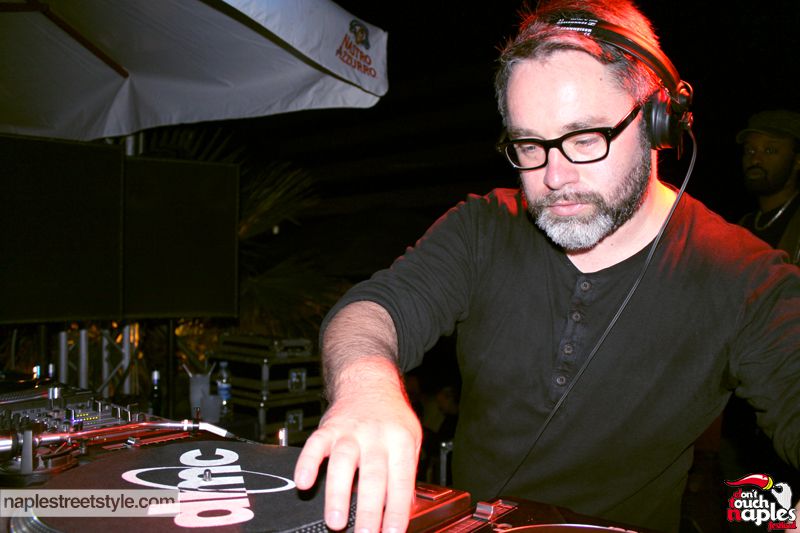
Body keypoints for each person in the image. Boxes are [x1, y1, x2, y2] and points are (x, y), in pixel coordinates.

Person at [293, 1, 800, 532]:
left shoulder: (746, 279)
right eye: (530, 145)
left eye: (585, 139)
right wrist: (365, 386)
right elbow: (371, 311)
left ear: (658, 124)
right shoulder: (483, 227)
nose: (555, 177)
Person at [736, 109, 800, 264]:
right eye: (750, 150)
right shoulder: (742, 227)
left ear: (797, 161)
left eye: (770, 150)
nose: (755, 160)